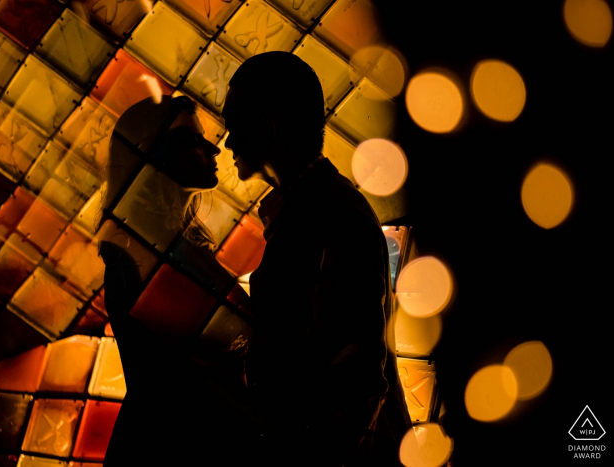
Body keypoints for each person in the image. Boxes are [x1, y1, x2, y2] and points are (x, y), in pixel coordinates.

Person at [222, 52, 413, 466]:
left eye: (232, 123)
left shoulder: (326, 216)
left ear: (266, 128)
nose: (227, 141)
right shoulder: (323, 208)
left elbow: (356, 371)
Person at [98, 94, 259, 466]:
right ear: (150, 153)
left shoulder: (168, 245)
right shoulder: (135, 258)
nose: (213, 149)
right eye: (191, 139)